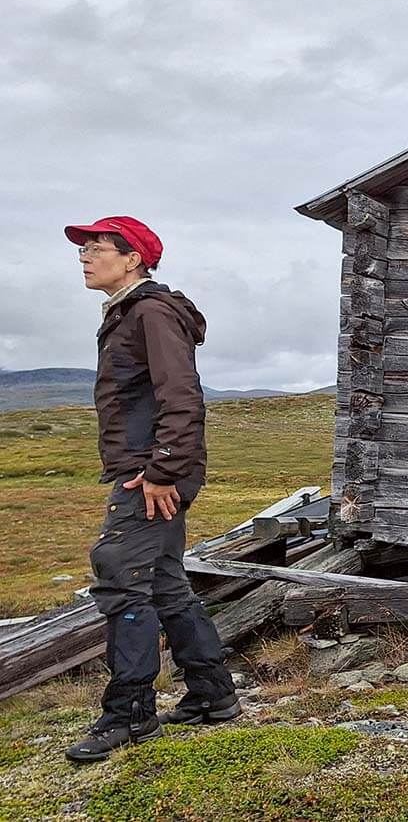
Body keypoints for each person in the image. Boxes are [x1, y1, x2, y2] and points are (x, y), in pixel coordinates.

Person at [64, 216, 239, 763]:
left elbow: (181, 394)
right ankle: (213, 695)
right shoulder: (131, 312)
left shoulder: (150, 311)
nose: (85, 258)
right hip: (150, 470)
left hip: (149, 475)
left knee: (120, 573)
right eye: (83, 250)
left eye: (97, 249)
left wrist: (164, 470)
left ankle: (130, 712)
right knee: (163, 580)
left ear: (132, 258)